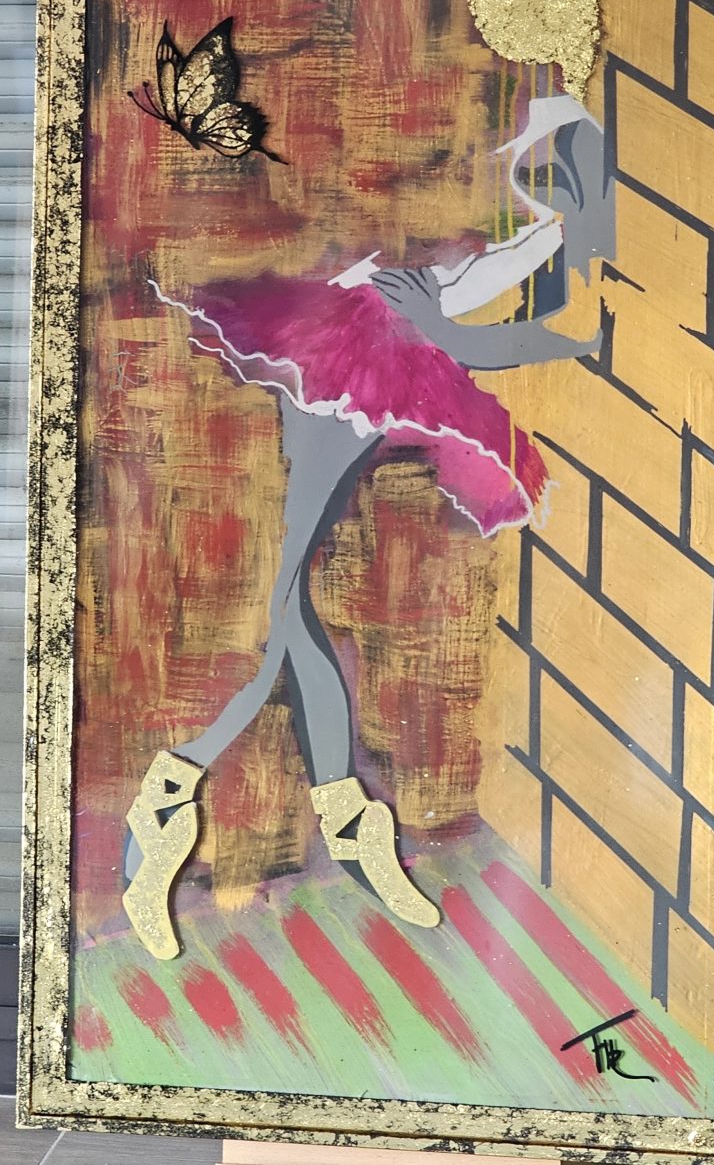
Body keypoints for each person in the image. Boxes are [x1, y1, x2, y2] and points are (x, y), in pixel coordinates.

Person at [123, 91, 614, 960]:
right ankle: (295, 815)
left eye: (554, 165)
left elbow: (492, 328)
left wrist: (460, 318)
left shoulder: (562, 239)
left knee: (290, 611)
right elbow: (433, 254)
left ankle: (211, 807)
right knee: (284, 610)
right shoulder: (506, 181)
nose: (535, 172)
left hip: (385, 364)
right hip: (345, 346)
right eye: (540, 159)